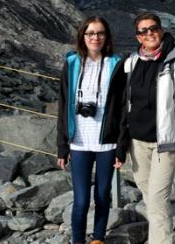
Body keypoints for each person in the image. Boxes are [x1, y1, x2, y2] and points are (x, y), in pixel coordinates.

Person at [116, 12, 175, 244]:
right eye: (144, 31)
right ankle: (163, 234)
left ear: (161, 30)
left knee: (158, 200)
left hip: (165, 144)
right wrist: (120, 145)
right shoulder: (131, 62)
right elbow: (123, 105)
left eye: (153, 28)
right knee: (151, 198)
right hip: (136, 143)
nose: (149, 33)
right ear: (138, 37)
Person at [56, 16, 126, 244]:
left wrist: (121, 147)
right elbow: (63, 104)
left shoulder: (116, 64)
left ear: (106, 37)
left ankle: (98, 238)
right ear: (82, 37)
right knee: (81, 200)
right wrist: (61, 146)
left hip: (106, 142)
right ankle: (78, 241)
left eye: (100, 33)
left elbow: (124, 108)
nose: (95, 37)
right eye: (90, 33)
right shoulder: (72, 63)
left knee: (103, 195)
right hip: (78, 141)